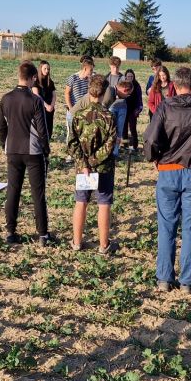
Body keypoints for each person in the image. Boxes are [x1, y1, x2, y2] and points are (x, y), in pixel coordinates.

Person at [144, 66, 191, 294]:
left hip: (169, 171)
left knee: (166, 226)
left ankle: (164, 279)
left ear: (174, 85)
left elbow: (150, 138)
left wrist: (154, 158)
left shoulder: (165, 107)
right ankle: (187, 282)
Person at [0, 62, 51, 245]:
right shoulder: (35, 101)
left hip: (12, 150)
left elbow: (1, 127)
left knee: (13, 190)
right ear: (33, 78)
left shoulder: (6, 98)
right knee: (38, 193)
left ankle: (10, 231)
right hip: (33, 151)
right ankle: (43, 234)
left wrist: (5, 145)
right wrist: (46, 150)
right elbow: (42, 130)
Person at [68, 75, 117, 254]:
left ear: (89, 91)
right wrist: (94, 162)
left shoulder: (78, 115)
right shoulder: (109, 117)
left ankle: (76, 242)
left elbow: (72, 143)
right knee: (104, 204)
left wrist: (85, 164)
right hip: (103, 168)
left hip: (84, 170)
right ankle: (104, 245)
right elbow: (110, 145)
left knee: (81, 202)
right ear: (104, 93)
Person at [64, 56, 94, 153]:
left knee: (83, 134)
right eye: (91, 69)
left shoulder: (90, 80)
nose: (92, 72)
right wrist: (71, 108)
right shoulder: (73, 78)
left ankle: (81, 152)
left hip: (84, 113)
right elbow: (67, 93)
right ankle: (70, 153)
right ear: (85, 68)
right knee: (71, 134)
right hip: (73, 111)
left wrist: (90, 81)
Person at [33, 60, 56, 140]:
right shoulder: (36, 81)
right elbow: (36, 95)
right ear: (40, 69)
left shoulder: (50, 82)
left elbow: (54, 95)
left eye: (48, 69)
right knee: (40, 130)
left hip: (50, 110)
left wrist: (51, 106)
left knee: (49, 130)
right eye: (45, 68)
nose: (47, 71)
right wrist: (46, 106)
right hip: (40, 109)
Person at [123, 69, 143, 151]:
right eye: (128, 76)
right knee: (124, 129)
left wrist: (138, 109)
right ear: (125, 77)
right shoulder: (123, 85)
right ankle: (125, 146)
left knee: (133, 129)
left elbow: (139, 98)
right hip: (124, 109)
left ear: (133, 77)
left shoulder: (137, 85)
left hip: (133, 110)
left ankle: (134, 146)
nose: (130, 78)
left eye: (131, 76)